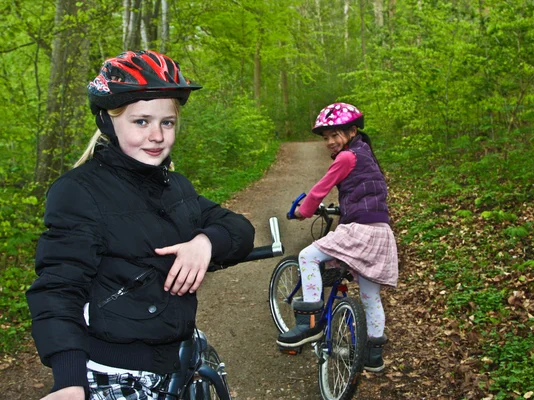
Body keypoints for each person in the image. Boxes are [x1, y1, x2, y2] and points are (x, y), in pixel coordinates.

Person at [26, 50, 255, 399]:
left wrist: (205, 243)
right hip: (120, 374)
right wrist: (69, 380)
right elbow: (58, 289)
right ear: (107, 122)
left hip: (178, 355)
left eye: (167, 122)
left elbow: (239, 229)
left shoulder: (174, 186)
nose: (157, 136)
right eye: (141, 121)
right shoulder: (78, 192)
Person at [276, 102, 398, 372]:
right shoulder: (367, 154)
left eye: (335, 135)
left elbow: (319, 190)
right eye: (326, 137)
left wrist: (302, 211)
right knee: (369, 296)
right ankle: (374, 356)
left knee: (308, 256)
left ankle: (309, 323)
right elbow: (366, 192)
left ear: (352, 131)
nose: (330, 142)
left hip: (360, 231)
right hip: (381, 232)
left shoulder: (346, 158)